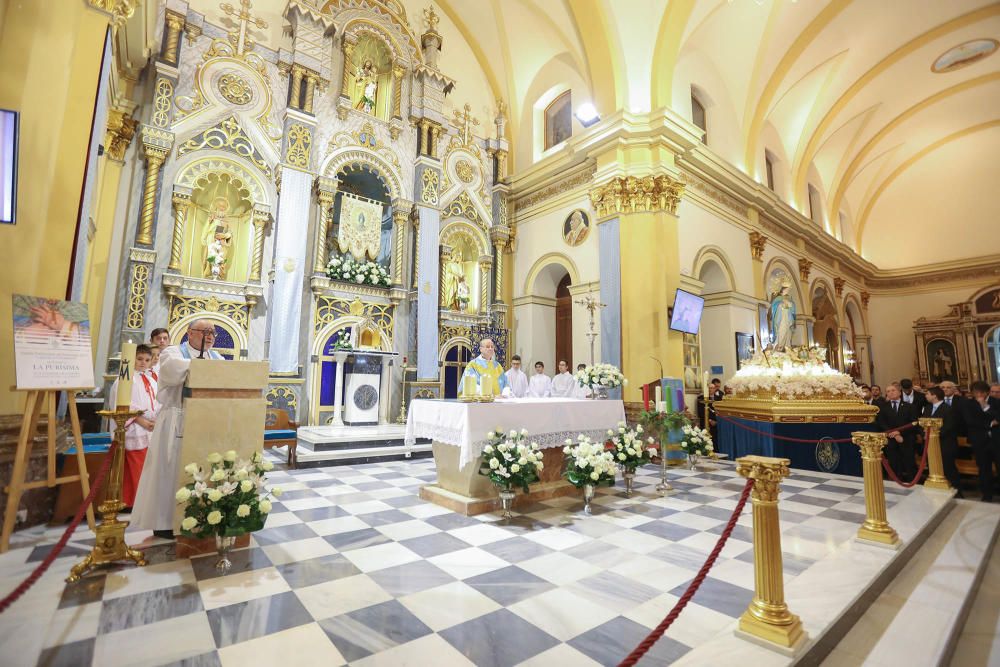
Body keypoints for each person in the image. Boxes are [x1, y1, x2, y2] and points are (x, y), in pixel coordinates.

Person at [132, 318, 225, 539]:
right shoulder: (172, 352)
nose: (210, 336)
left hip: (204, 420)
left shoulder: (217, 356)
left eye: (213, 332)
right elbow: (174, 372)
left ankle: (197, 517)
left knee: (199, 470)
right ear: (190, 332)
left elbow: (224, 373)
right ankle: (165, 522)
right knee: (169, 470)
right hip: (175, 418)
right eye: (205, 331)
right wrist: (206, 367)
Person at [109, 344, 159, 509]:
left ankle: (142, 500)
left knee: (146, 466)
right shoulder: (124, 379)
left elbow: (157, 402)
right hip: (135, 428)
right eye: (139, 359)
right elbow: (123, 403)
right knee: (135, 467)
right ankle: (135, 502)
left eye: (147, 359)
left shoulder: (151, 379)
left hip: (150, 428)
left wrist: (156, 419)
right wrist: (142, 421)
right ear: (131, 359)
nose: (143, 363)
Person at [961, 381, 1000, 502]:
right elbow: (970, 421)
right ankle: (987, 495)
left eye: (979, 393)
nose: (977, 395)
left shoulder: (996, 402)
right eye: (974, 393)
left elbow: (999, 417)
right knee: (983, 469)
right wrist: (990, 423)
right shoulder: (968, 404)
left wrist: (985, 406)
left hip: (997, 441)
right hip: (980, 441)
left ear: (986, 392)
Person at [922, 387, 961, 496]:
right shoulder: (928, 408)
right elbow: (923, 422)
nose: (926, 396)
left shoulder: (948, 409)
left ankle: (956, 491)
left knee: (948, 468)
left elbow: (949, 426)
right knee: (933, 467)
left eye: (928, 394)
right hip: (931, 445)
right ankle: (937, 489)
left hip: (945, 444)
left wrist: (933, 436)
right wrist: (924, 433)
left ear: (934, 395)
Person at [876, 382, 918, 481]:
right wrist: (894, 434)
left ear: (900, 392)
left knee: (909, 463)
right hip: (891, 439)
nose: (890, 393)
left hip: (906, 438)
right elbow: (881, 423)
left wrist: (900, 433)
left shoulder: (909, 406)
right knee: (894, 463)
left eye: (893, 390)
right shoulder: (883, 407)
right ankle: (897, 482)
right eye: (888, 391)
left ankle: (913, 482)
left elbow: (914, 422)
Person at [768, 280, 796, 350]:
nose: (788, 291)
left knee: (788, 333)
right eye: (788, 289)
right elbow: (774, 307)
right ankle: (780, 347)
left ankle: (787, 347)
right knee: (781, 332)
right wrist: (781, 305)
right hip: (781, 319)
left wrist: (790, 305)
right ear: (784, 289)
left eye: (789, 289)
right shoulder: (778, 299)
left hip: (788, 319)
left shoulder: (789, 298)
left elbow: (793, 308)